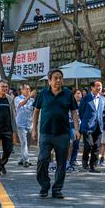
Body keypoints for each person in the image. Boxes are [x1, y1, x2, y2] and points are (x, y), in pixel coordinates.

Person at [30, 69, 80, 199]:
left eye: (61, 78)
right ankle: (44, 186)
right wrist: (34, 129)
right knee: (42, 159)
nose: (59, 80)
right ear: (49, 80)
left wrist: (76, 129)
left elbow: (74, 112)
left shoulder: (68, 94)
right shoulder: (43, 94)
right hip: (45, 133)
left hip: (63, 134)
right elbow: (36, 112)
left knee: (61, 163)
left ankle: (57, 189)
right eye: (56, 78)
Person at [78, 81, 105, 172]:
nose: (99, 88)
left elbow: (101, 112)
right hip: (87, 126)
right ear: (92, 87)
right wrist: (86, 121)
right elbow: (81, 112)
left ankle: (93, 166)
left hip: (98, 126)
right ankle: (84, 160)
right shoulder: (85, 98)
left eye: (100, 86)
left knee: (96, 146)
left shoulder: (103, 99)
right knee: (88, 145)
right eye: (97, 86)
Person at [14, 84, 34, 167]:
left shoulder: (32, 100)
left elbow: (34, 111)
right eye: (26, 89)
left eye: (29, 89)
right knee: (24, 143)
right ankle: (26, 160)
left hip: (29, 124)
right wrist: (29, 97)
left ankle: (22, 159)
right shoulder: (17, 98)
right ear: (22, 90)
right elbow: (21, 104)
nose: (28, 91)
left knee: (27, 144)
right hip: (20, 125)